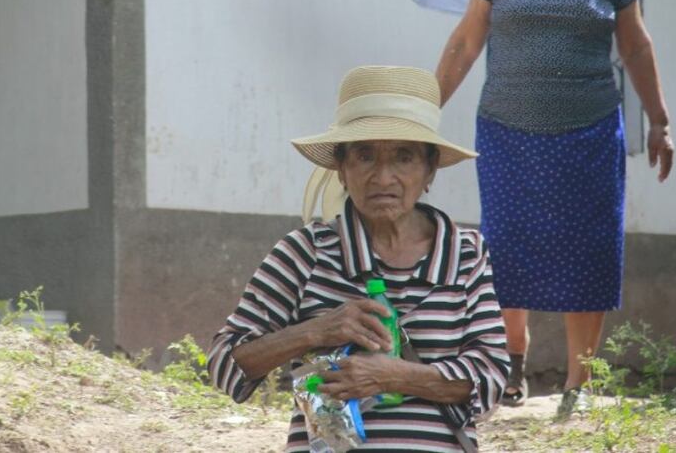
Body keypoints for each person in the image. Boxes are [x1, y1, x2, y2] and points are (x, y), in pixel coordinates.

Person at [434, 0, 674, 418]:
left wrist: (659, 121)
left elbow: (637, 47)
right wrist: (423, 110)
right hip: (507, 131)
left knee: (588, 249)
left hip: (589, 134)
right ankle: (512, 361)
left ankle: (577, 384)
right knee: (507, 243)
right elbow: (466, 41)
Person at [207, 65, 509, 451]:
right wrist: (316, 331)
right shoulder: (306, 252)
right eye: (365, 156)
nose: (383, 178)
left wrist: (392, 376)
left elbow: (491, 376)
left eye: (403, 157)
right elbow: (225, 365)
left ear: (430, 169)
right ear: (341, 168)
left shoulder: (465, 253)